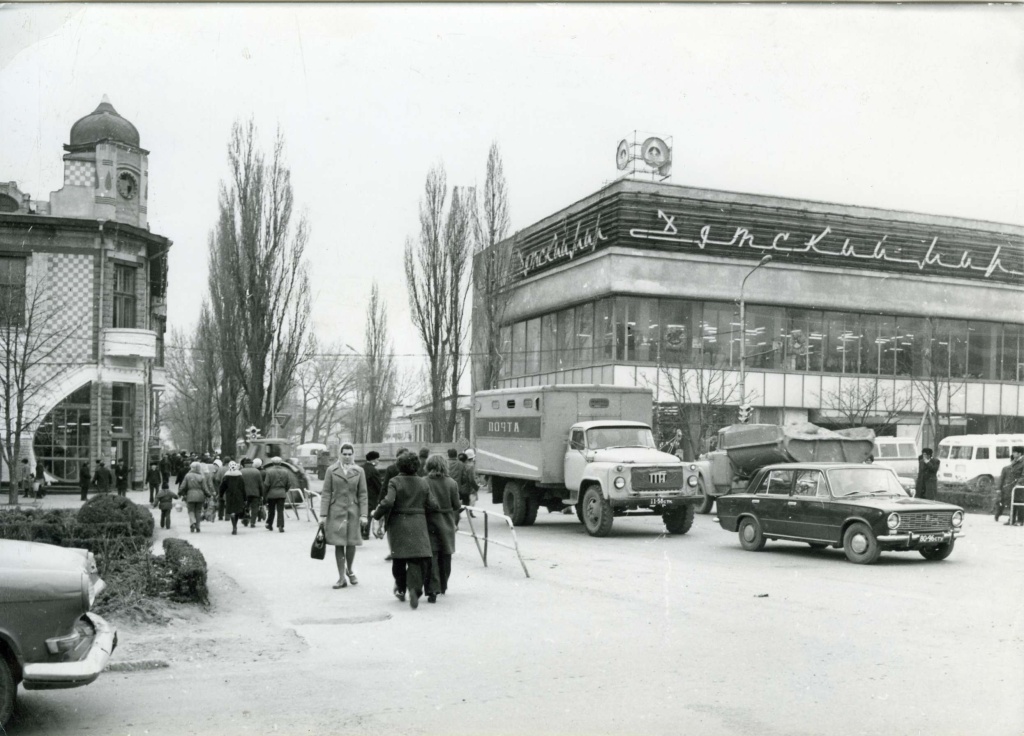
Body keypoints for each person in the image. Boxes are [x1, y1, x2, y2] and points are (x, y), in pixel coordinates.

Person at [372, 452, 439, 610]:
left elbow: (388, 501)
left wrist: (377, 515)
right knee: (416, 559)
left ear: (399, 465)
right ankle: (414, 589)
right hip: (418, 523)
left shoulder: (395, 481)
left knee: (399, 559)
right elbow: (433, 504)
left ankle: (401, 587)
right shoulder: (423, 483)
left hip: (398, 524)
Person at [320, 443, 368, 589]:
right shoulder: (331, 470)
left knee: (351, 543)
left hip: (353, 511)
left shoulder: (359, 471)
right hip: (336, 512)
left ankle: (350, 569)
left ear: (353, 455)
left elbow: (363, 494)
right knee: (339, 544)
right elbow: (326, 493)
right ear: (339, 455)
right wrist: (323, 515)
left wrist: (364, 514)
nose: (347, 457)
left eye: (349, 454)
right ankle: (341, 578)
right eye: (344, 454)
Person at [424, 454, 462, 603]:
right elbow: (456, 506)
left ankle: (432, 589)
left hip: (429, 522)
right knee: (446, 555)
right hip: (446, 522)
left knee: (432, 556)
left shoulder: (424, 482)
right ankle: (443, 585)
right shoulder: (452, 483)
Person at [263, 456, 294, 533]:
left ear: (272, 463)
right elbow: (289, 483)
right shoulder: (285, 472)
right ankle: (280, 525)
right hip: (281, 493)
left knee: (271, 510)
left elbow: (266, 484)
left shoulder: (269, 471)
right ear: (280, 463)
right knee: (280, 510)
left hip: (271, 494)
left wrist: (265, 493)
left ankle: (269, 524)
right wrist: (284, 490)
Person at [995, 445, 1024, 525]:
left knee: (1020, 503)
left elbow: (1023, 475)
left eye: (1014, 452)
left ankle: (1020, 521)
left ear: (1019, 453)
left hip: (1020, 487)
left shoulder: (1022, 462)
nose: (1013, 454)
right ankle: (1012, 519)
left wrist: (1018, 485)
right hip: (1012, 486)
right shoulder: (1015, 461)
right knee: (1012, 502)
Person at [180, 461, 211, 533]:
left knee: (190, 510)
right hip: (200, 496)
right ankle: (198, 527)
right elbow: (205, 488)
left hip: (190, 495)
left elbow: (183, 486)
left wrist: (180, 492)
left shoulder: (187, 475)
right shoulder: (202, 476)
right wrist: (208, 494)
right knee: (198, 511)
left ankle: (192, 522)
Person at [219, 461, 247, 535]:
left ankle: (234, 526)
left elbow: (222, 487)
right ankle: (235, 525)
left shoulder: (226, 476)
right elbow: (243, 488)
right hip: (239, 495)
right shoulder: (240, 476)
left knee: (232, 511)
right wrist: (245, 498)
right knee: (237, 510)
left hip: (229, 495)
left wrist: (221, 495)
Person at [239, 457, 264, 527]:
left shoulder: (241, 472)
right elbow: (260, 484)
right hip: (255, 493)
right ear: (251, 464)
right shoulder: (257, 471)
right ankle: (253, 522)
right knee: (254, 508)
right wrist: (262, 494)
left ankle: (245, 519)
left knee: (245, 507)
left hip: (244, 493)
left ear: (244, 464)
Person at [363, 451, 383, 536]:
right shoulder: (374, 470)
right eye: (377, 459)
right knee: (369, 515)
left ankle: (362, 532)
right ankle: (365, 533)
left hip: (363, 495)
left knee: (363, 513)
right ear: (373, 460)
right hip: (371, 496)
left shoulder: (362, 468)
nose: (378, 461)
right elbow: (379, 485)